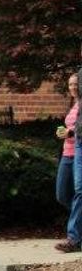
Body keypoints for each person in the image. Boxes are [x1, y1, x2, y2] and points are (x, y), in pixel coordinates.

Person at [56, 74, 79, 251]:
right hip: (67, 153)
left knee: (79, 192)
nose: (72, 87)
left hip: (79, 152)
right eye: (70, 84)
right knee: (62, 194)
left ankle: (73, 236)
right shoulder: (72, 105)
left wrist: (70, 133)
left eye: (76, 84)